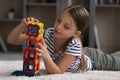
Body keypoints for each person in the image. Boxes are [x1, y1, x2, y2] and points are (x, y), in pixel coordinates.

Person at [7, 5, 120, 74]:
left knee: (116, 62)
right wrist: (22, 26)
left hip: (94, 59)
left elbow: (58, 71)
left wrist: (46, 56)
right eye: (59, 20)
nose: (58, 27)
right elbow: (12, 39)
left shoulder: (74, 44)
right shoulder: (48, 34)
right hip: (81, 52)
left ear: (76, 33)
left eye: (66, 27)